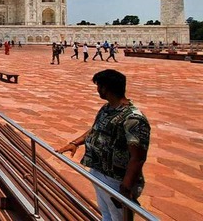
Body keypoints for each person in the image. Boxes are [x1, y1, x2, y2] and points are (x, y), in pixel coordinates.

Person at [56, 69, 150, 221]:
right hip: (99, 169)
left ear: (107, 88)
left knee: (119, 216)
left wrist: (126, 185)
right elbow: (96, 129)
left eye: (99, 86)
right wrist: (75, 143)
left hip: (116, 178)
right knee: (106, 212)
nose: (97, 89)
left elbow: (138, 157)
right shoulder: (107, 108)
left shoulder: (133, 118)